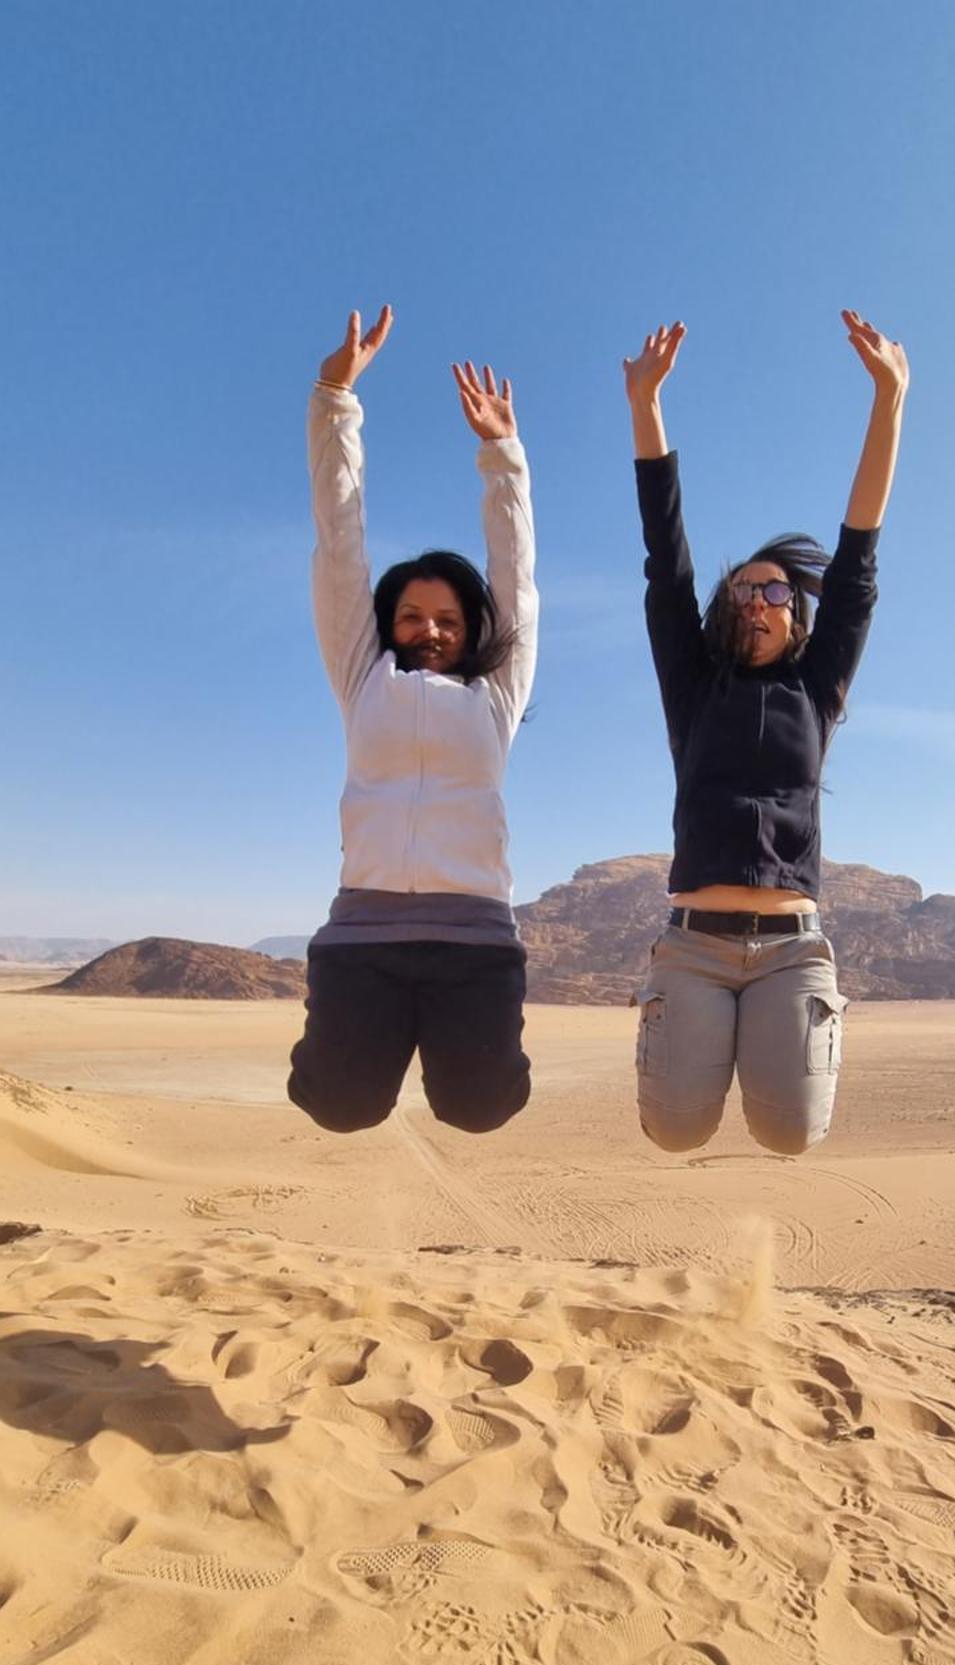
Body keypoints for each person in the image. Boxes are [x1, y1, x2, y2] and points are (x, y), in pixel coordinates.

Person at [623, 311, 908, 1155]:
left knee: (790, 1136)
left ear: (800, 618)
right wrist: (647, 405)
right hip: (694, 949)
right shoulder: (692, 684)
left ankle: (791, 1045)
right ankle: (678, 1038)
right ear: (722, 610)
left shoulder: (817, 689)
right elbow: (664, 555)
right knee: (676, 1132)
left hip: (791, 951)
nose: (759, 600)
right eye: (744, 590)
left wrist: (889, 400)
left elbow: (858, 562)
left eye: (778, 593)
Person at [287, 304, 538, 1135]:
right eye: (410, 616)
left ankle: (483, 1051)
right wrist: (335, 400)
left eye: (448, 621)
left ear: (472, 633)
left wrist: (502, 458)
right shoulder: (363, 676)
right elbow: (341, 546)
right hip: (364, 935)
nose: (428, 630)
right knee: (339, 1106)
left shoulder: (496, 695)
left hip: (474, 941)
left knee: (482, 1108)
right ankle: (339, 1045)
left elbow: (517, 579)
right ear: (386, 625)